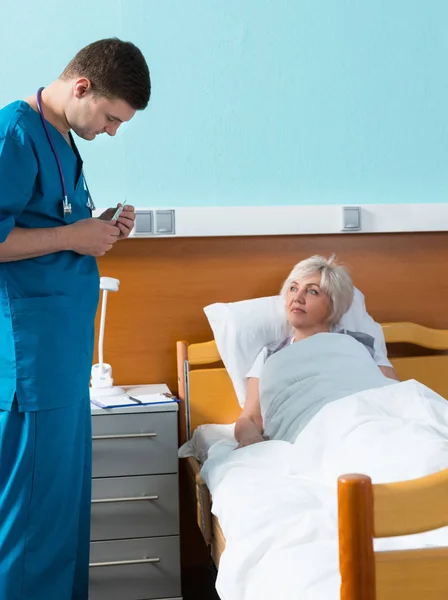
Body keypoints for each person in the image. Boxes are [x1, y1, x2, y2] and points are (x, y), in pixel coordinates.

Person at [0, 38, 151, 600]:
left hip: (63, 364)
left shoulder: (63, 138)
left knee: (61, 514)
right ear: (82, 86)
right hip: (33, 365)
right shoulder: (15, 132)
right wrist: (75, 236)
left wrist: (102, 226)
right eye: (112, 117)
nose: (112, 131)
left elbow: (54, 226)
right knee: (32, 522)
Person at [235, 255, 399, 449]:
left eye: (312, 291)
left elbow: (394, 394)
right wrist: (250, 439)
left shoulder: (359, 344)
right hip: (307, 429)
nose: (297, 297)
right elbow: (250, 419)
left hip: (365, 420)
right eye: (293, 288)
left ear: (333, 304)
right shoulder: (272, 354)